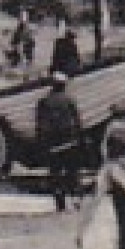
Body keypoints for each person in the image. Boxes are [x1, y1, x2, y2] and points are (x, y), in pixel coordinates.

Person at [36, 74, 85, 212]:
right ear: (63, 85)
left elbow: (40, 125)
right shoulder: (69, 100)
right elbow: (77, 121)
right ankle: (76, 200)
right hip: (70, 142)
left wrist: (42, 143)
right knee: (73, 172)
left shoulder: (44, 102)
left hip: (52, 144)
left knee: (55, 173)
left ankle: (60, 203)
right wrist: (80, 138)